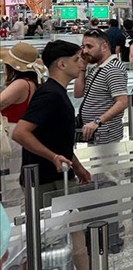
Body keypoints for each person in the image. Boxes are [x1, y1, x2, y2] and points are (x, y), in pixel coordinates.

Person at [12, 40, 91, 269]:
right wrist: (52, 157)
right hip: (45, 182)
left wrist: (77, 166)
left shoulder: (57, 93)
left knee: (74, 236)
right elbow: (20, 132)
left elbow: (56, 139)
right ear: (61, 64)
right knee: (39, 242)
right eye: (76, 59)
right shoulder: (49, 95)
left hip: (58, 178)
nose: (82, 63)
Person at [0, 42, 47, 202]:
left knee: (10, 183)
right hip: (19, 134)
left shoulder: (20, 84)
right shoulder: (31, 83)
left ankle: (13, 215)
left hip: (11, 135)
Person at [74, 28, 129, 144]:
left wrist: (97, 122)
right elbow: (78, 93)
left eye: (89, 46)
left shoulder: (113, 69)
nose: (85, 51)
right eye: (83, 46)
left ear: (104, 47)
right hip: (93, 134)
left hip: (106, 135)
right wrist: (82, 67)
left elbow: (123, 102)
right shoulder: (97, 68)